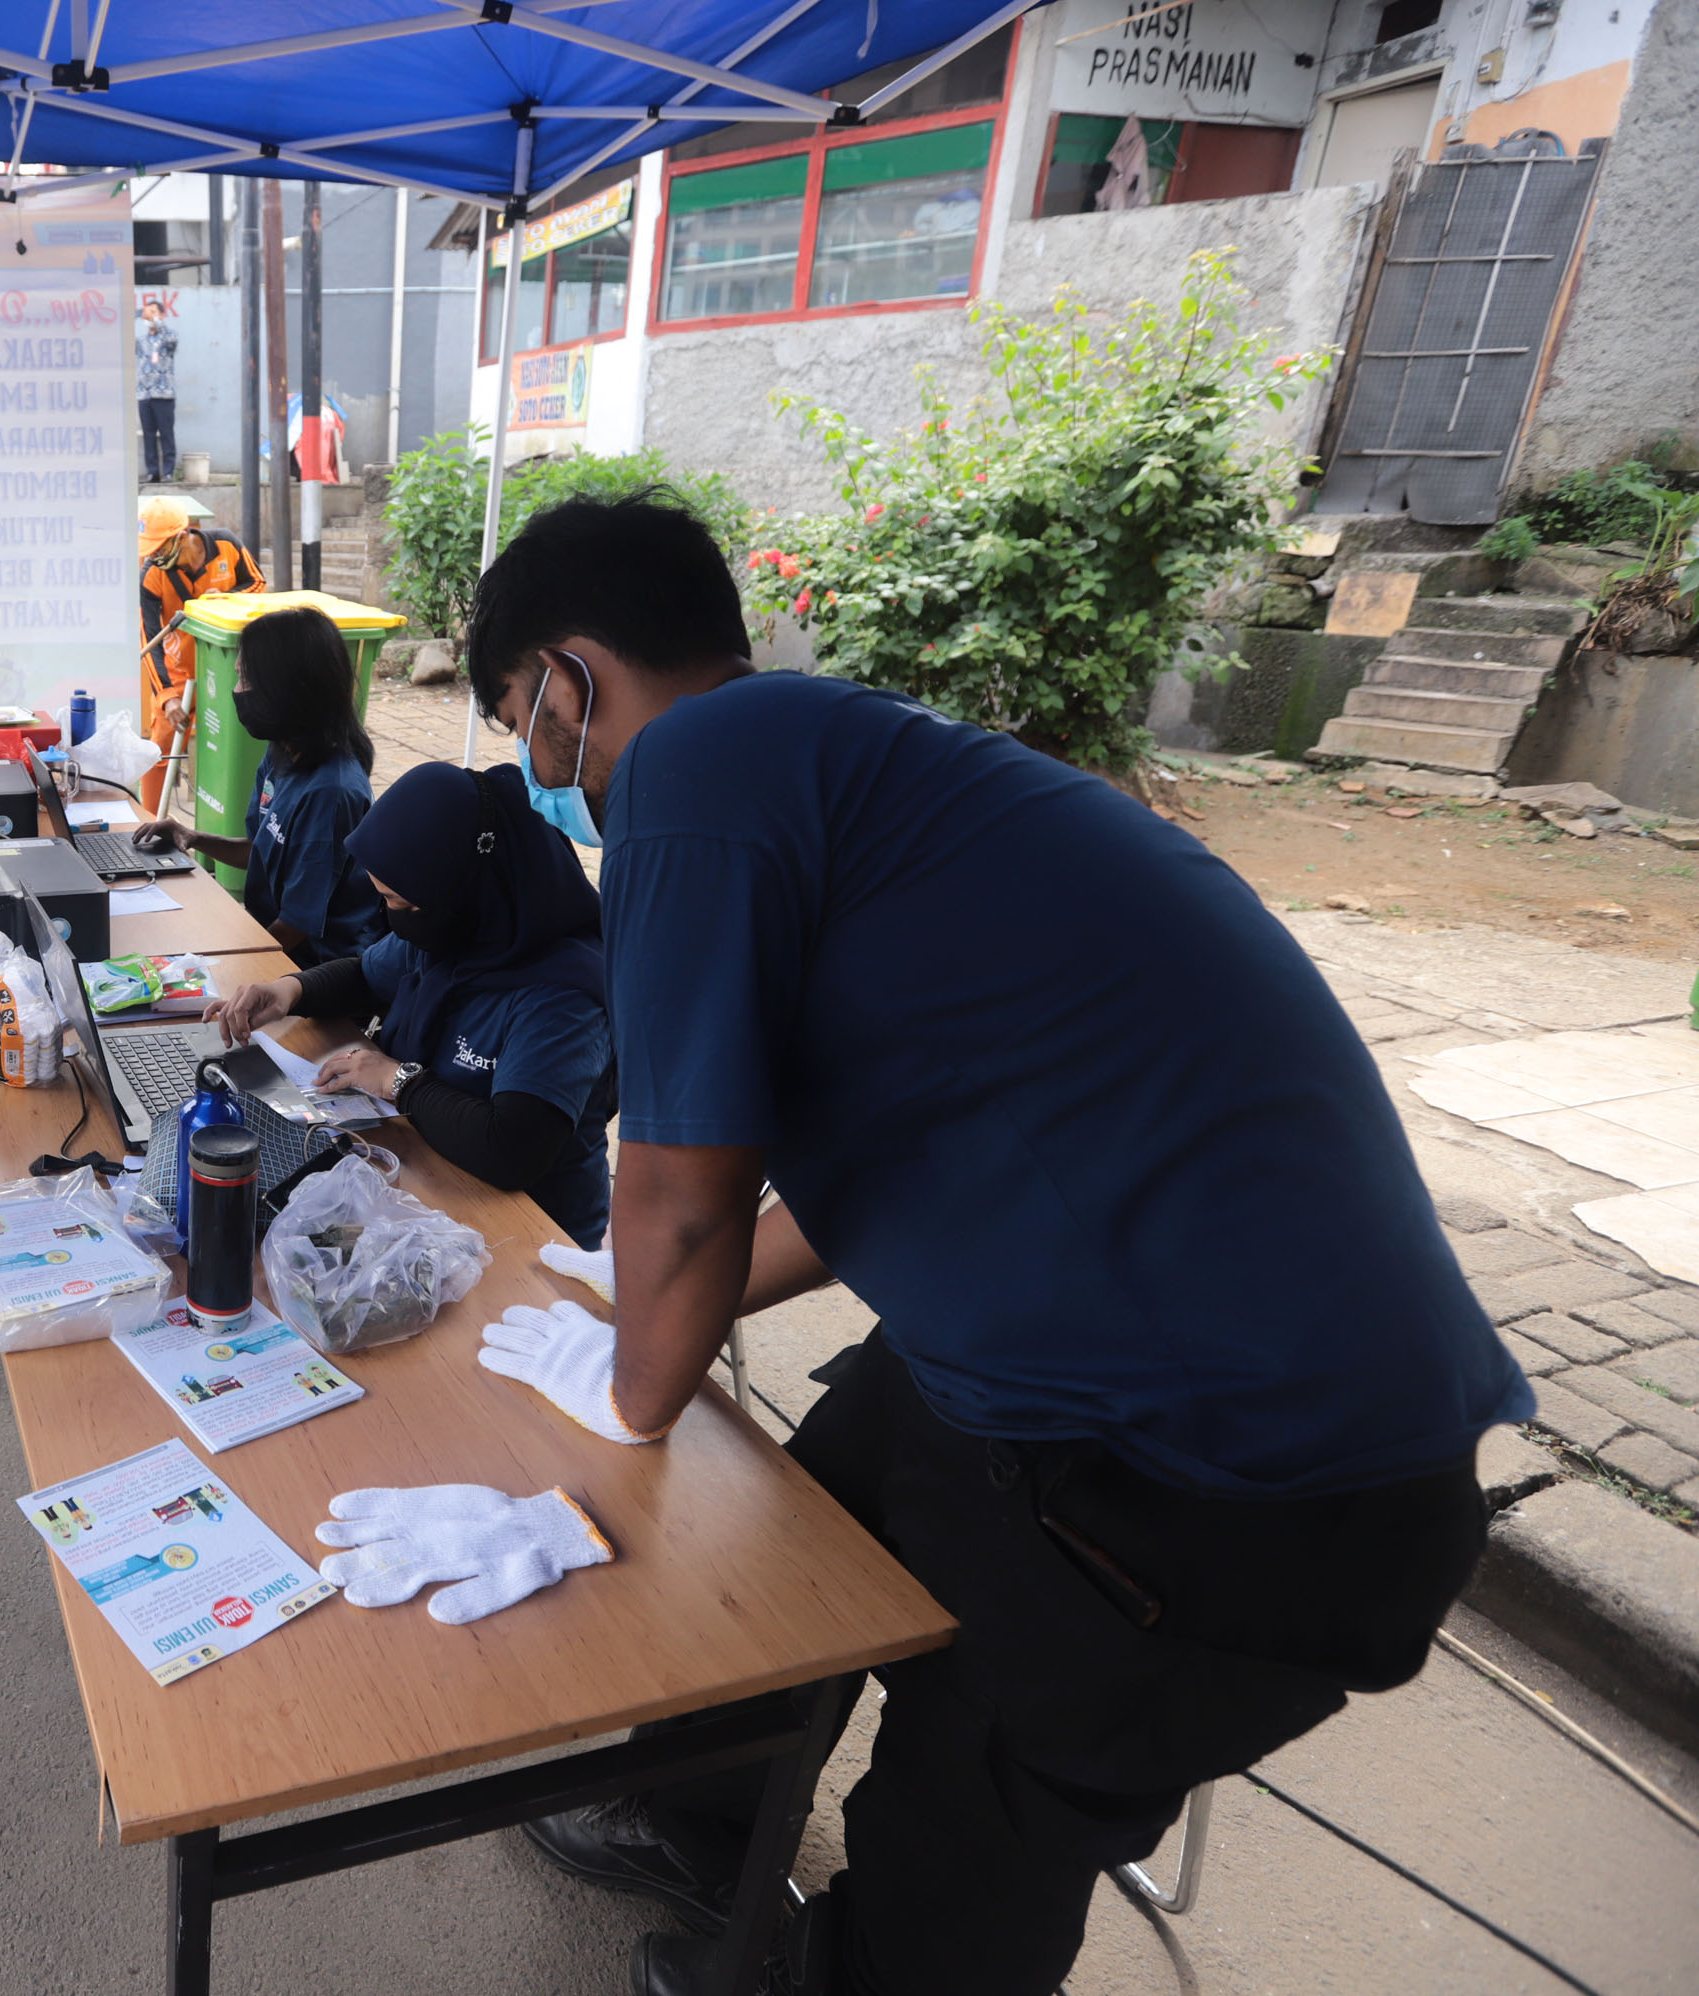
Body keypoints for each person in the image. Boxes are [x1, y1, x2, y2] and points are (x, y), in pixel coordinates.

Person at [452, 495, 1532, 1996]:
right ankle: (697, 1810)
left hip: (1215, 1473)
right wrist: (614, 1322)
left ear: (572, 679)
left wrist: (622, 1390)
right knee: (810, 1501)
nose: (541, 763)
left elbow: (683, 1195)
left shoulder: (696, 768)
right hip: (1247, 1396)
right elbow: (863, 1168)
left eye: (524, 719)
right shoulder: (864, 765)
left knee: (970, 1812)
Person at [207, 757, 614, 1245]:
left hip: (530, 1235)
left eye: (400, 902)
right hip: (429, 1180)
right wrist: (288, 991)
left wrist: (396, 1080)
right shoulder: (458, 930)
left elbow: (512, 1149)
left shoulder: (562, 997)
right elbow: (366, 973)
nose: (389, 914)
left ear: (465, 889)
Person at [133, 603, 378, 963]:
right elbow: (262, 850)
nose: (237, 691)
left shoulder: (330, 793)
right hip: (277, 943)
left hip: (316, 968)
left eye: (246, 679)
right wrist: (192, 836)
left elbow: (297, 925)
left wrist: (224, 961)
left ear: (288, 689)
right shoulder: (283, 750)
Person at [134, 493, 263, 812]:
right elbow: (149, 640)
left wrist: (228, 598)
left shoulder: (227, 546)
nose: (152, 556)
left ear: (182, 537)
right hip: (179, 671)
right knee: (159, 746)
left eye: (158, 548)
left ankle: (227, 814)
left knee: (229, 741)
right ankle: (150, 823)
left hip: (229, 666)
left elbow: (257, 583)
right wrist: (166, 696)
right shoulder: (151, 575)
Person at [135, 293, 177, 483]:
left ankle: (168, 471)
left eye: (153, 312)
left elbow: (171, 340)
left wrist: (157, 322)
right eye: (147, 312)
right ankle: (153, 472)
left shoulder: (168, 337)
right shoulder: (142, 341)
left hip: (164, 393)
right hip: (144, 393)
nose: (149, 316)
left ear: (162, 315)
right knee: (148, 435)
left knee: (166, 433)